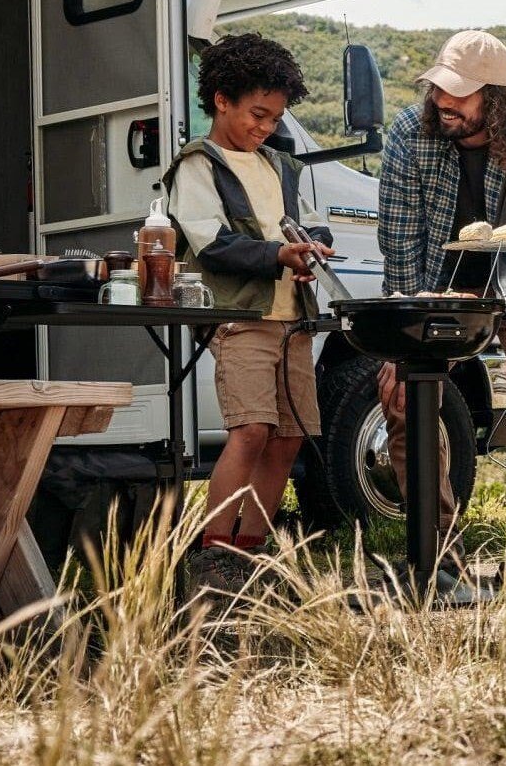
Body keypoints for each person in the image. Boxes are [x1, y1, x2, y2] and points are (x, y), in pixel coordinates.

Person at [378, 29, 506, 584]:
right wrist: (400, 339)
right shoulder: (408, 134)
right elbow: (400, 243)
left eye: (459, 95)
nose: (443, 103)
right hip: (440, 282)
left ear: (497, 97)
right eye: (439, 88)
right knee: (401, 391)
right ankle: (435, 545)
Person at [164, 32, 334, 594]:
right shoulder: (198, 164)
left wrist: (312, 246)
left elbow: (311, 221)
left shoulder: (282, 166)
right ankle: (213, 556)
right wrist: (277, 254)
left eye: (274, 118)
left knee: (287, 436)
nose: (265, 127)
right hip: (241, 316)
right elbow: (208, 241)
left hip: (294, 317)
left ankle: (251, 553)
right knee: (251, 429)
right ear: (220, 100)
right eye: (257, 114)